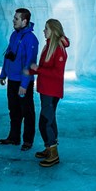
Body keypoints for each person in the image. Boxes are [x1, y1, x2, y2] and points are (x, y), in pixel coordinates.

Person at [29, 18, 69, 168]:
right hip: (46, 90)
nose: (43, 30)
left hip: (51, 91)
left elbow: (57, 73)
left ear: (54, 30)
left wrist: (37, 69)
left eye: (46, 28)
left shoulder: (58, 49)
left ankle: (53, 154)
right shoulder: (49, 46)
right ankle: (49, 148)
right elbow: (47, 68)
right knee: (48, 120)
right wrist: (33, 69)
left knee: (46, 122)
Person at [0, 8, 39, 151]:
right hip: (12, 80)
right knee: (13, 110)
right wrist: (3, 73)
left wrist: (24, 84)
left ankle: (28, 140)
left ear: (24, 21)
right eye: (14, 18)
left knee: (27, 112)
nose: (13, 21)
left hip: (23, 83)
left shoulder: (31, 39)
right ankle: (14, 137)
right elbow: (8, 55)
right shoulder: (14, 36)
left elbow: (29, 63)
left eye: (16, 19)